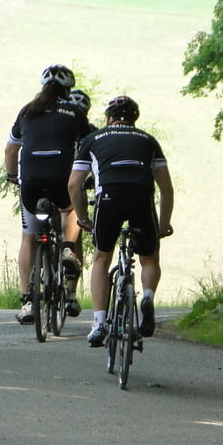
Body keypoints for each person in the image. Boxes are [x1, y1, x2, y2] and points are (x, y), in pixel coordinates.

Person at [68, 95, 174, 347]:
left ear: (108, 118)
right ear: (135, 119)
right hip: (141, 196)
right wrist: (163, 224)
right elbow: (166, 188)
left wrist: (82, 218)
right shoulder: (149, 140)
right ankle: (147, 296)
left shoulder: (92, 139)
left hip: (109, 197)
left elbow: (74, 184)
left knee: (101, 258)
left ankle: (98, 324)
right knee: (149, 258)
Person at [5, 65, 92, 324]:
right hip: (60, 180)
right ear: (68, 89)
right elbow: (89, 149)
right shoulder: (75, 112)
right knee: (73, 209)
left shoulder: (27, 110)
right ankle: (67, 250)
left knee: (28, 239)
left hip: (30, 181)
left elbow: (11, 150)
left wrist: (12, 176)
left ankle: (28, 302)